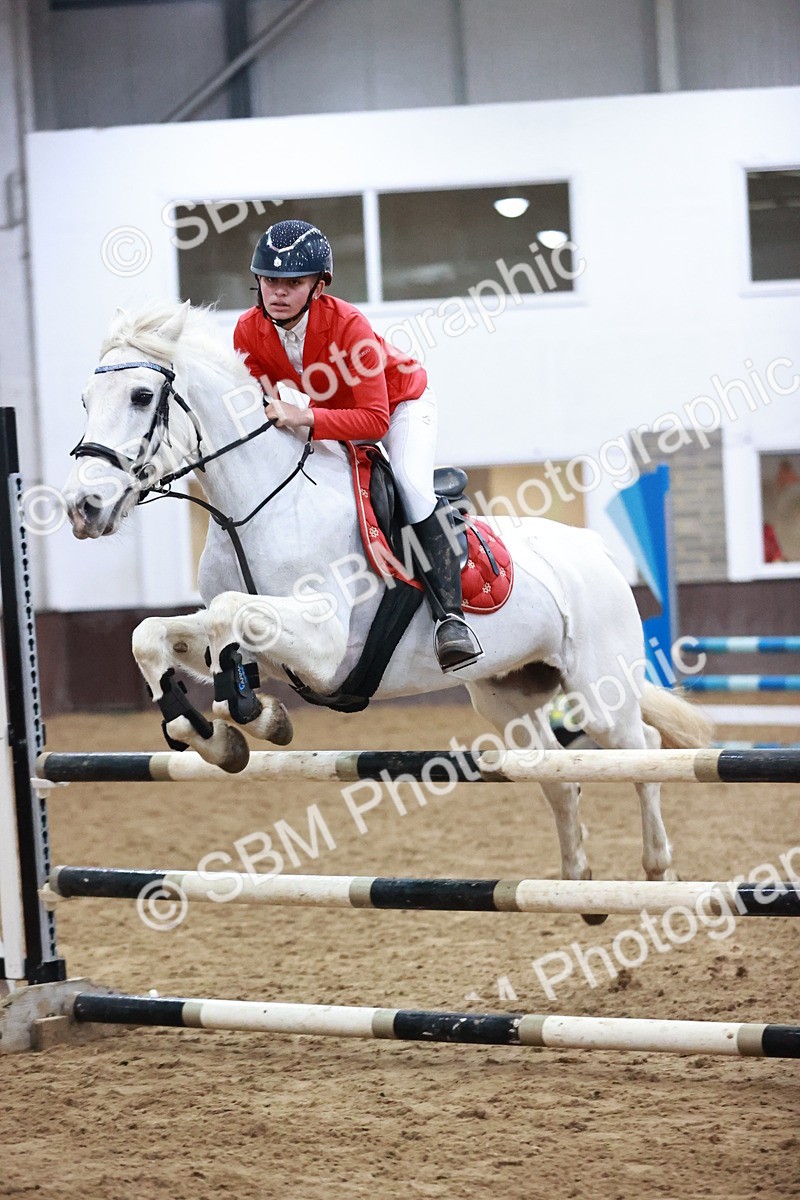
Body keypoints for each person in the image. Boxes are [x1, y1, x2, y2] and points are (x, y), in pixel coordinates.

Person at [234, 219, 483, 672]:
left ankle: (451, 619)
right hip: (331, 413)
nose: (279, 292)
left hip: (400, 404)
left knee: (410, 483)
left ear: (318, 285)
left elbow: (374, 420)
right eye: (270, 279)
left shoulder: (348, 324)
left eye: (294, 282)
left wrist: (307, 417)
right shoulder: (248, 331)